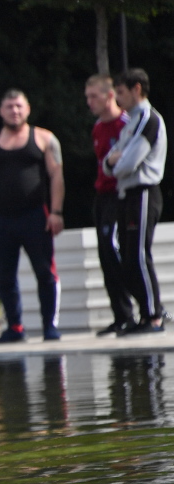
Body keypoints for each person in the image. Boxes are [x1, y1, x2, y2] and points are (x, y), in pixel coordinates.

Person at [0, 89, 65, 343]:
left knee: (45, 272)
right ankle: (15, 327)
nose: (15, 111)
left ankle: (50, 326)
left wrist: (56, 211)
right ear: (1, 111)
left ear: (28, 109)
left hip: (36, 215)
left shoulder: (45, 138)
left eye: (19, 106)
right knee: (4, 275)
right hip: (0, 219)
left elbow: (56, 175)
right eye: (9, 107)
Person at [104, 68, 168, 335]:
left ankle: (154, 315)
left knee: (139, 255)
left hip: (143, 192)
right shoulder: (131, 121)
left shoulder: (147, 119)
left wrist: (116, 162)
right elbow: (109, 162)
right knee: (126, 256)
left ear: (136, 89)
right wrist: (113, 161)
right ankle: (145, 312)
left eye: (121, 93)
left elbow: (127, 162)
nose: (118, 99)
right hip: (127, 193)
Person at [85, 75, 134, 335]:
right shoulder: (98, 127)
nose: (89, 102)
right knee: (105, 254)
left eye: (94, 96)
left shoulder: (125, 124)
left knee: (113, 247)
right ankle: (120, 315)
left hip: (120, 193)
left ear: (109, 96)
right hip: (102, 194)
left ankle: (136, 310)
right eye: (87, 97)